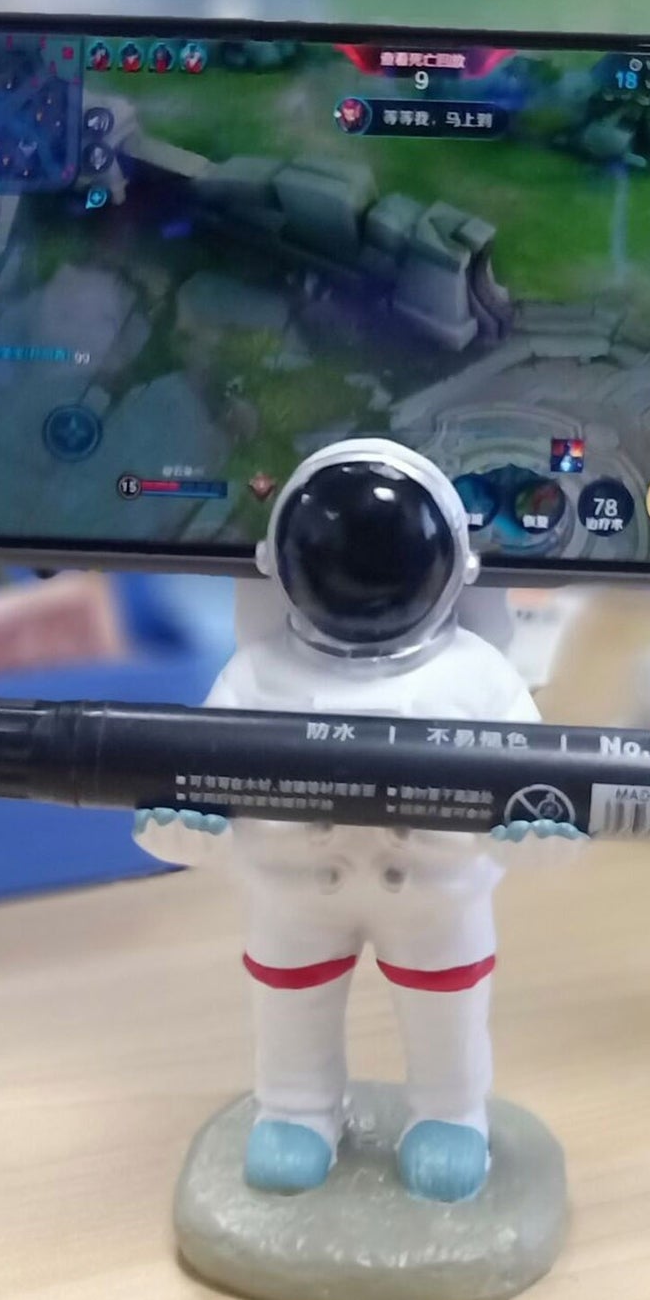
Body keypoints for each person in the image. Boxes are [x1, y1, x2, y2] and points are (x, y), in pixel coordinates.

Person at [134, 440, 582, 1202]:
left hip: (438, 895)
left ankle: (450, 1112)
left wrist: (539, 842)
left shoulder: (478, 678)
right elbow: (198, 781)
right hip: (293, 892)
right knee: (289, 1001)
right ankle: (296, 1109)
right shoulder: (256, 674)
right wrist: (183, 832)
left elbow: (537, 790)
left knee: (445, 1006)